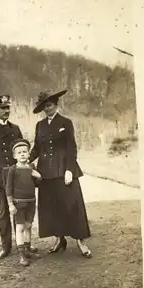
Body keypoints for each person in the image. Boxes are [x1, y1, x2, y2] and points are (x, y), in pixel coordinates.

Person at [29, 90, 92, 258]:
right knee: (51, 207)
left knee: (72, 205)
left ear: (56, 105)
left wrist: (70, 170)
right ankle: (59, 239)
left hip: (64, 170)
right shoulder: (40, 125)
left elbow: (72, 148)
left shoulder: (66, 122)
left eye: (49, 105)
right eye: (44, 107)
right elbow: (37, 148)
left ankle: (81, 241)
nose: (47, 109)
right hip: (46, 173)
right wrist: (26, 159)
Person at [0, 95, 38, 259]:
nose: (7, 111)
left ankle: (24, 245)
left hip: (18, 178)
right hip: (0, 179)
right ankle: (6, 246)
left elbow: (22, 154)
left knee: (20, 211)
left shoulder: (15, 129)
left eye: (8, 108)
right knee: (4, 212)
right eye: (3, 108)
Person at [6, 139, 42, 266]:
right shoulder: (13, 169)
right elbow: (8, 188)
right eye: (19, 152)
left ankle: (27, 251)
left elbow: (37, 184)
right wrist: (10, 204)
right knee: (20, 227)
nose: (22, 154)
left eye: (25, 152)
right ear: (14, 156)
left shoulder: (31, 167)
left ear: (28, 154)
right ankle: (22, 255)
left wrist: (39, 177)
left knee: (28, 226)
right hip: (18, 203)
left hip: (31, 202)